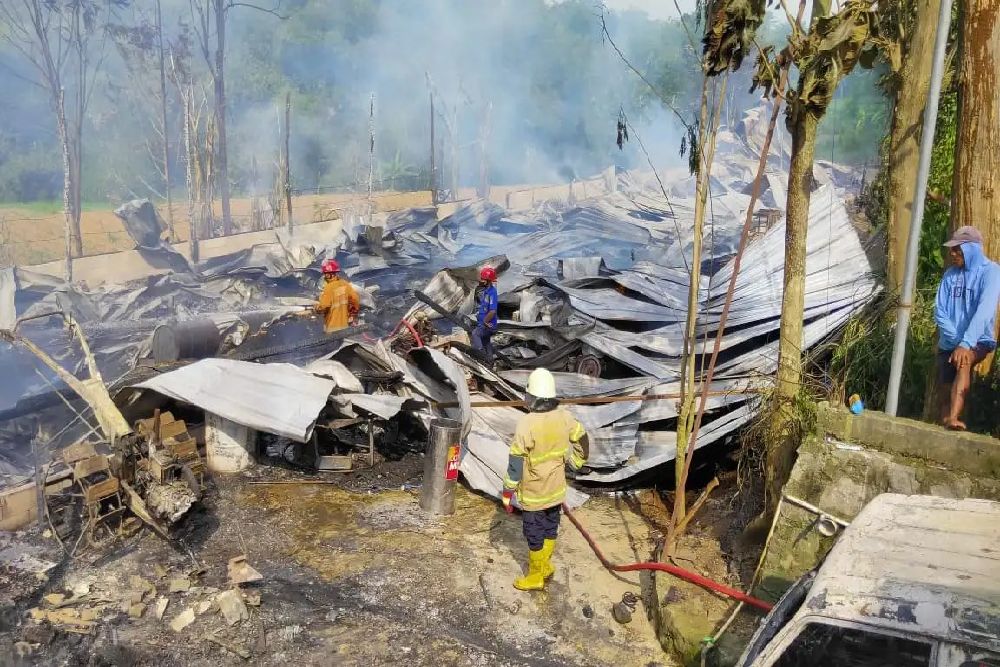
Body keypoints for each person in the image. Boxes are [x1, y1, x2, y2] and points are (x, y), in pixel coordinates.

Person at [501, 367, 589, 591]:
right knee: (551, 526)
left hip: (534, 493)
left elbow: (515, 463)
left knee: (534, 533)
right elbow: (582, 437)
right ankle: (546, 566)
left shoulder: (527, 423)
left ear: (533, 397)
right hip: (557, 490)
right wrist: (577, 462)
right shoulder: (565, 416)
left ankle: (535, 576)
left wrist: (507, 491)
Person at [933, 225, 1000, 430]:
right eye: (952, 249)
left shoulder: (991, 272)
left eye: (957, 249)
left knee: (963, 361)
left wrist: (966, 343)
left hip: (979, 340)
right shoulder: (950, 275)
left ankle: (954, 417)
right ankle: (944, 424)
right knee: (944, 385)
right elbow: (939, 309)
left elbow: (985, 311)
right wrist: (956, 340)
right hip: (950, 340)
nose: (952, 254)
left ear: (971, 248)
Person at [314, 258, 360, 333]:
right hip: (345, 325)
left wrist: (316, 308)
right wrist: (352, 315)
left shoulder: (329, 288)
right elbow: (355, 300)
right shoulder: (345, 284)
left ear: (329, 274)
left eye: (325, 274)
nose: (325, 277)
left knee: (331, 344)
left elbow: (323, 306)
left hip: (332, 327)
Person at [472, 266, 498, 362]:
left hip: (488, 325)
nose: (481, 280)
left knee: (475, 334)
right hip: (483, 323)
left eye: (483, 279)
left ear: (488, 280)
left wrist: (485, 321)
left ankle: (480, 358)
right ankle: (490, 361)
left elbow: (492, 311)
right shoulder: (486, 292)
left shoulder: (492, 293)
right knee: (486, 341)